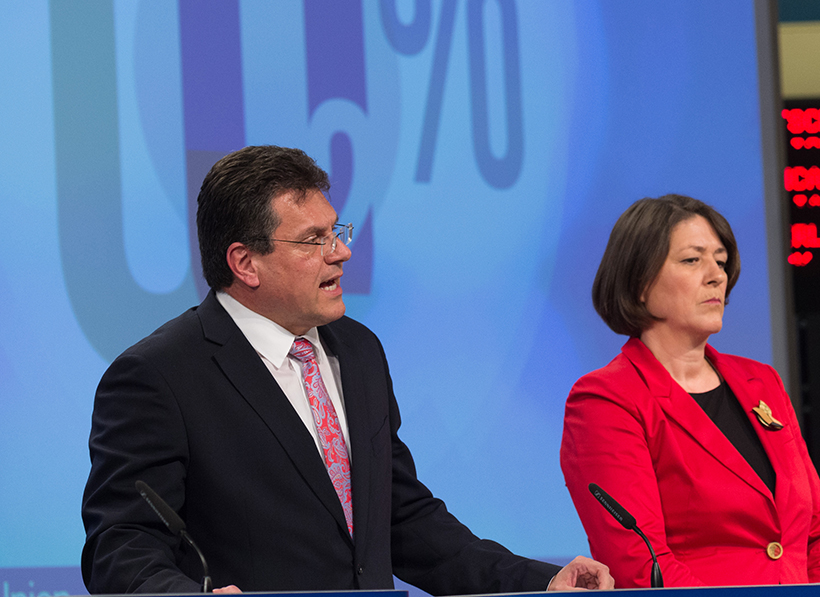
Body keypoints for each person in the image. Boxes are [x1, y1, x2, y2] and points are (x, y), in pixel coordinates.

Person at [82, 145, 613, 594]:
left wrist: (537, 583)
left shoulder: (357, 351)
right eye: (314, 240)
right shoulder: (159, 375)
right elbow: (121, 541)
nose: (342, 252)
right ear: (245, 263)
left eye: (336, 231)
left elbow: (400, 518)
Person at [560, 195, 820, 588]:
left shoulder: (761, 382)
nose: (716, 275)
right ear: (639, 282)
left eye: (721, 261)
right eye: (692, 260)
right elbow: (640, 562)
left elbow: (818, 530)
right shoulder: (606, 400)